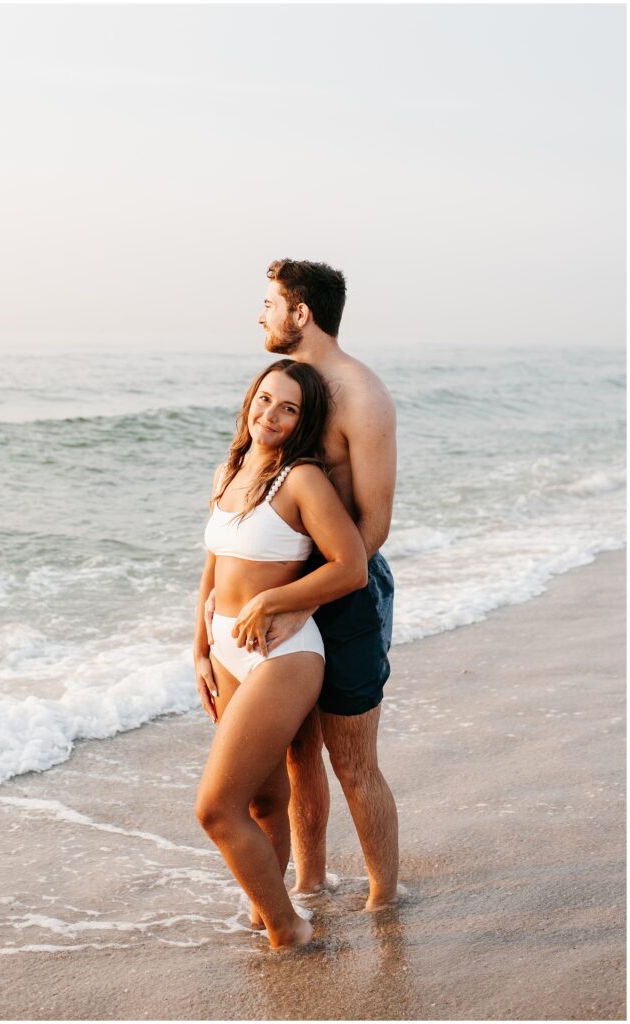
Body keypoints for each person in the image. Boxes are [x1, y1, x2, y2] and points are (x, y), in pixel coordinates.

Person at [206, 259, 398, 909]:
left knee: (351, 762)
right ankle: (309, 884)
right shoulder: (293, 388)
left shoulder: (359, 392)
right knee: (294, 756)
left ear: (301, 314)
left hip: (340, 595)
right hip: (290, 590)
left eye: (269, 303)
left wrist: (297, 599)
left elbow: (371, 528)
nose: (260, 315)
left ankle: (382, 903)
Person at [193, 358, 368, 949]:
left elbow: (352, 567)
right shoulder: (230, 468)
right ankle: (270, 904)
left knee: (216, 808)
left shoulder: (302, 481)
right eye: (264, 399)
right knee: (266, 799)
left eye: (288, 407)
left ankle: (288, 929)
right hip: (225, 650)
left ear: (302, 420)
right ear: (251, 399)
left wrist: (273, 601)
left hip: (284, 654)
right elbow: (213, 566)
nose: (270, 414)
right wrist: (199, 647)